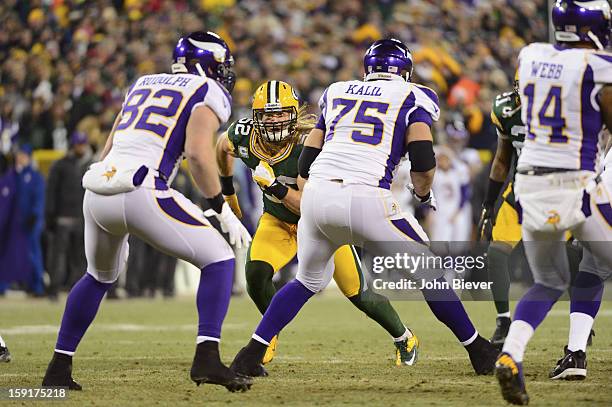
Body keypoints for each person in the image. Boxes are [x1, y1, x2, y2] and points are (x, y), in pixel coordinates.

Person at [229, 38, 498, 378]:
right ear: (406, 71)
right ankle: (478, 350)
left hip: (318, 195)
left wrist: (309, 193)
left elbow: (309, 156)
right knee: (429, 274)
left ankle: (249, 355)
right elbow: (423, 157)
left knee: (306, 281)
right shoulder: (415, 95)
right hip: (368, 195)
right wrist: (423, 192)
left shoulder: (338, 90)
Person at [41, 31, 253, 393]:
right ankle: (207, 357)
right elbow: (199, 155)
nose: (226, 73)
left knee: (97, 277)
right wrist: (221, 207)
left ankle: (58, 368)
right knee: (219, 259)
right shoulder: (208, 92)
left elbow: (109, 147)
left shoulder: (142, 83)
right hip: (143, 188)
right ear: (208, 65)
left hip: (99, 186)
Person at [217, 80, 419, 368]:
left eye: (280, 114)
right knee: (255, 273)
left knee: (359, 294)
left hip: (319, 225)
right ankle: (267, 336)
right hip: (277, 221)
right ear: (255, 116)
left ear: (294, 113)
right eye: (267, 115)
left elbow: (307, 202)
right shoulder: (243, 135)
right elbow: (220, 146)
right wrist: (227, 191)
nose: (274, 121)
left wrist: (274, 186)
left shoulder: (310, 143)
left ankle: (404, 336)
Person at [494, 2, 612, 405]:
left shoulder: (530, 56)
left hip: (528, 184)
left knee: (548, 281)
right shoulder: (600, 66)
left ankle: (511, 355)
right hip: (576, 184)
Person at [477, 78, 526, 347]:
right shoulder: (506, 109)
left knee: (575, 257)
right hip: (519, 193)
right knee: (496, 253)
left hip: (558, 192)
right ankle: (503, 320)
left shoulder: (567, 107)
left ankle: (579, 328)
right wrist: (489, 202)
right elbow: (502, 159)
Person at [45, 131, 93, 300]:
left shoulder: (90, 165)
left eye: (83, 144)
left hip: (81, 218)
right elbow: (51, 192)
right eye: (78, 144)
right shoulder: (60, 165)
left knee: (78, 259)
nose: (81, 147)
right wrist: (50, 216)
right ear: (73, 145)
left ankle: (76, 293)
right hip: (63, 218)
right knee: (58, 257)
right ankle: (54, 290)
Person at [15, 143, 45, 296]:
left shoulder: (35, 177)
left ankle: (38, 285)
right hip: (18, 222)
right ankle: (27, 284)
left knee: (33, 253)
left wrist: (35, 214)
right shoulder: (16, 175)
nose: (20, 158)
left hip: (32, 222)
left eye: (23, 155)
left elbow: (39, 199)